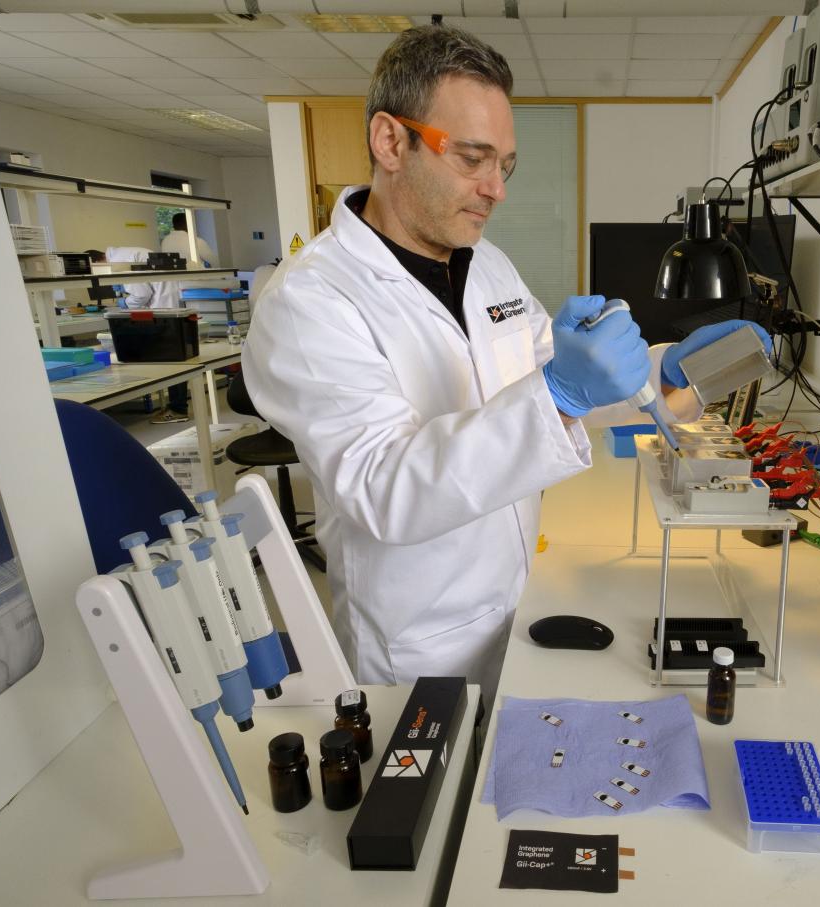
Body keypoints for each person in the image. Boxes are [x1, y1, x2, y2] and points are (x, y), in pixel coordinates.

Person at [243, 25, 769, 695]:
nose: (497, 189)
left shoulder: (486, 264)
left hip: (519, 597)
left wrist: (657, 371)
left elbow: (550, 373)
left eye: (507, 165)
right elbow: (384, 486)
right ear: (389, 140)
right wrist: (559, 392)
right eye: (472, 158)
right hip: (419, 643)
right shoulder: (309, 301)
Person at [100, 246, 191, 424]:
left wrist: (125, 302)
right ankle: (176, 406)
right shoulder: (130, 252)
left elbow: (142, 294)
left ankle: (178, 408)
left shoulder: (119, 262)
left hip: (163, 312)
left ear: (99, 262)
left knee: (170, 361)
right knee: (176, 360)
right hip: (173, 306)